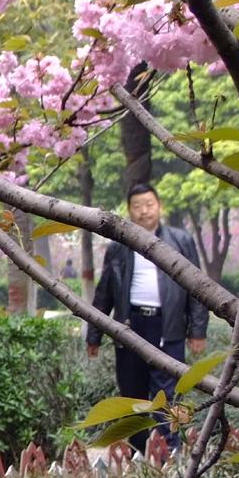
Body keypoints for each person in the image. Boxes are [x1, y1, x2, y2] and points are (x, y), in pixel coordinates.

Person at [86, 183, 207, 453]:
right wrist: (94, 335)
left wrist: (197, 330)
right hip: (130, 328)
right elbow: (104, 293)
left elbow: (198, 288)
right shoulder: (119, 246)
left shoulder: (180, 241)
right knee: (132, 396)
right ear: (129, 210)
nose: (144, 211)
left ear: (159, 206)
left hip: (168, 327)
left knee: (169, 395)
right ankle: (138, 455)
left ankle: (172, 454)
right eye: (137, 206)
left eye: (149, 204)